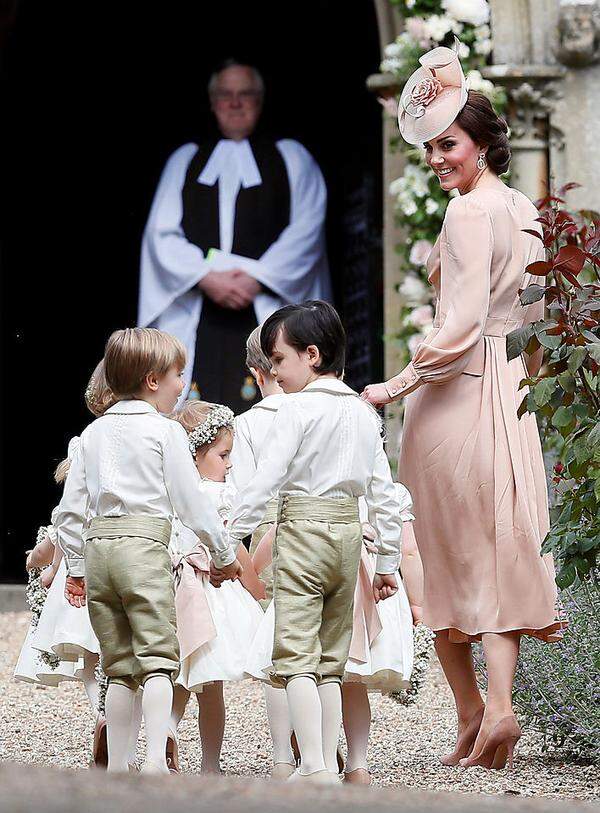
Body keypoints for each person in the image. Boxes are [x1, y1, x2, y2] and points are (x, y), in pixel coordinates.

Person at [362, 44, 563, 770]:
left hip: (457, 397)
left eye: (450, 144)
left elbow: (461, 325)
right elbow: (536, 310)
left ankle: (477, 709)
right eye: (434, 146)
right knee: (496, 552)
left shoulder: (467, 214)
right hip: (510, 395)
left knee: (439, 557)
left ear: (481, 144)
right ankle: (492, 710)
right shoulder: (521, 206)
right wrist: (529, 389)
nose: (439, 157)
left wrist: (396, 384)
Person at [227, 301, 402, 783]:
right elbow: (383, 494)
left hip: (302, 529)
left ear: (311, 354)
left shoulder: (296, 408)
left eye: (279, 360)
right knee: (331, 658)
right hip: (347, 535)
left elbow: (265, 481)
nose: (275, 372)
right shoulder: (364, 414)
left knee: (295, 654)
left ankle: (316, 766)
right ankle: (324, 761)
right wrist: (386, 560)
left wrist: (226, 538)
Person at [55, 327, 242, 774]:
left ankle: (119, 765)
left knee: (118, 664)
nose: (183, 383)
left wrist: (77, 567)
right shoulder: (164, 433)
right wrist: (223, 554)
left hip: (100, 549)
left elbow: (69, 511)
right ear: (153, 380)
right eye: (178, 374)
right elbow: (191, 502)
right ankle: (156, 760)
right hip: (143, 547)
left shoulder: (93, 434)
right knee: (158, 659)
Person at [139, 60, 331, 413]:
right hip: (198, 308)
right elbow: (161, 235)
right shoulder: (186, 160)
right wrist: (206, 277)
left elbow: (307, 228)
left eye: (245, 95)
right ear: (213, 102)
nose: (236, 103)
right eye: (226, 95)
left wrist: (257, 278)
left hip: (267, 307)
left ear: (259, 101)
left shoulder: (291, 158)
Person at [168, 400, 264, 775]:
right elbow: (234, 547)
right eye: (224, 456)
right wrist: (256, 591)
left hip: (178, 590)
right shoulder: (219, 496)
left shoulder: (172, 494)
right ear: (195, 454)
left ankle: (166, 736)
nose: (229, 465)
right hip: (216, 593)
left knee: (176, 677)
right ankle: (210, 765)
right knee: (211, 689)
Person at [229, 326, 296, 779]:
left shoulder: (248, 424)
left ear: (256, 372)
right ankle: (322, 742)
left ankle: (281, 757)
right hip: (320, 532)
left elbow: (244, 498)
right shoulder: (319, 412)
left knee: (278, 651)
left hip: (269, 544)